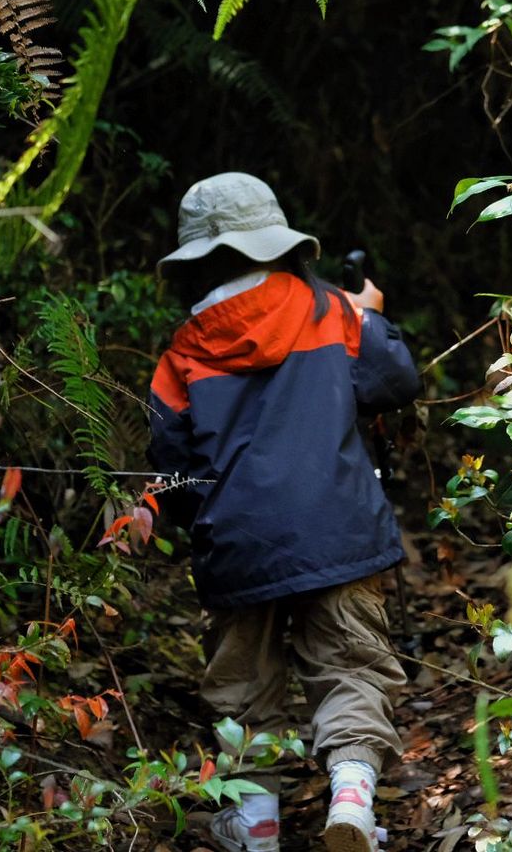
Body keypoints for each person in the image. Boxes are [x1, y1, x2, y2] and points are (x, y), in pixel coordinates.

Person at [148, 173, 419, 852]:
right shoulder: (331, 310)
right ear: (276, 244)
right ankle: (352, 799)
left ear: (199, 262)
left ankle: (258, 824)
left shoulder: (181, 353)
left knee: (244, 687)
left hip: (237, 545)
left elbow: (173, 471)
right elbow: (396, 381)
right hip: (340, 529)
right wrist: (373, 315)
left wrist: (194, 519)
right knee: (353, 666)